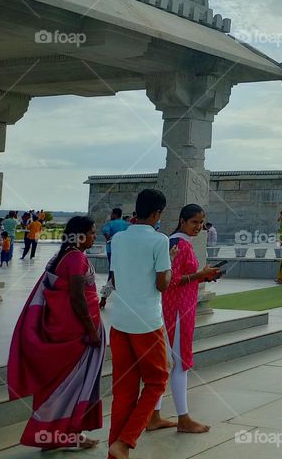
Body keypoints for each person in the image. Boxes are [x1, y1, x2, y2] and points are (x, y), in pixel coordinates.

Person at [8, 216, 104, 451]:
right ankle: (63, 436)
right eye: (91, 232)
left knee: (61, 387)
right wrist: (91, 331)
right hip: (75, 334)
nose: (94, 236)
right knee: (71, 386)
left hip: (67, 330)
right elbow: (77, 297)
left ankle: (61, 436)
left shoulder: (63, 256)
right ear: (80, 235)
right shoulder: (76, 259)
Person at [107, 189, 172, 459]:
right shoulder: (160, 240)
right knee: (157, 382)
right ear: (157, 213)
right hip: (147, 322)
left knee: (124, 390)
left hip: (119, 320)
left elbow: (115, 275)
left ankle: (116, 452)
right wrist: (169, 269)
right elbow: (162, 284)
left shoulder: (119, 238)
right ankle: (125, 441)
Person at [148, 204, 220, 434]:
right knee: (180, 363)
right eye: (194, 222)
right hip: (177, 311)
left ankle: (155, 415)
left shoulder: (175, 243)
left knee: (171, 362)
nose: (198, 227)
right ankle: (183, 418)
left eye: (201, 223)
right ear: (182, 221)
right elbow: (172, 279)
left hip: (176, 308)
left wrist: (203, 277)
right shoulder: (179, 245)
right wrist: (200, 274)